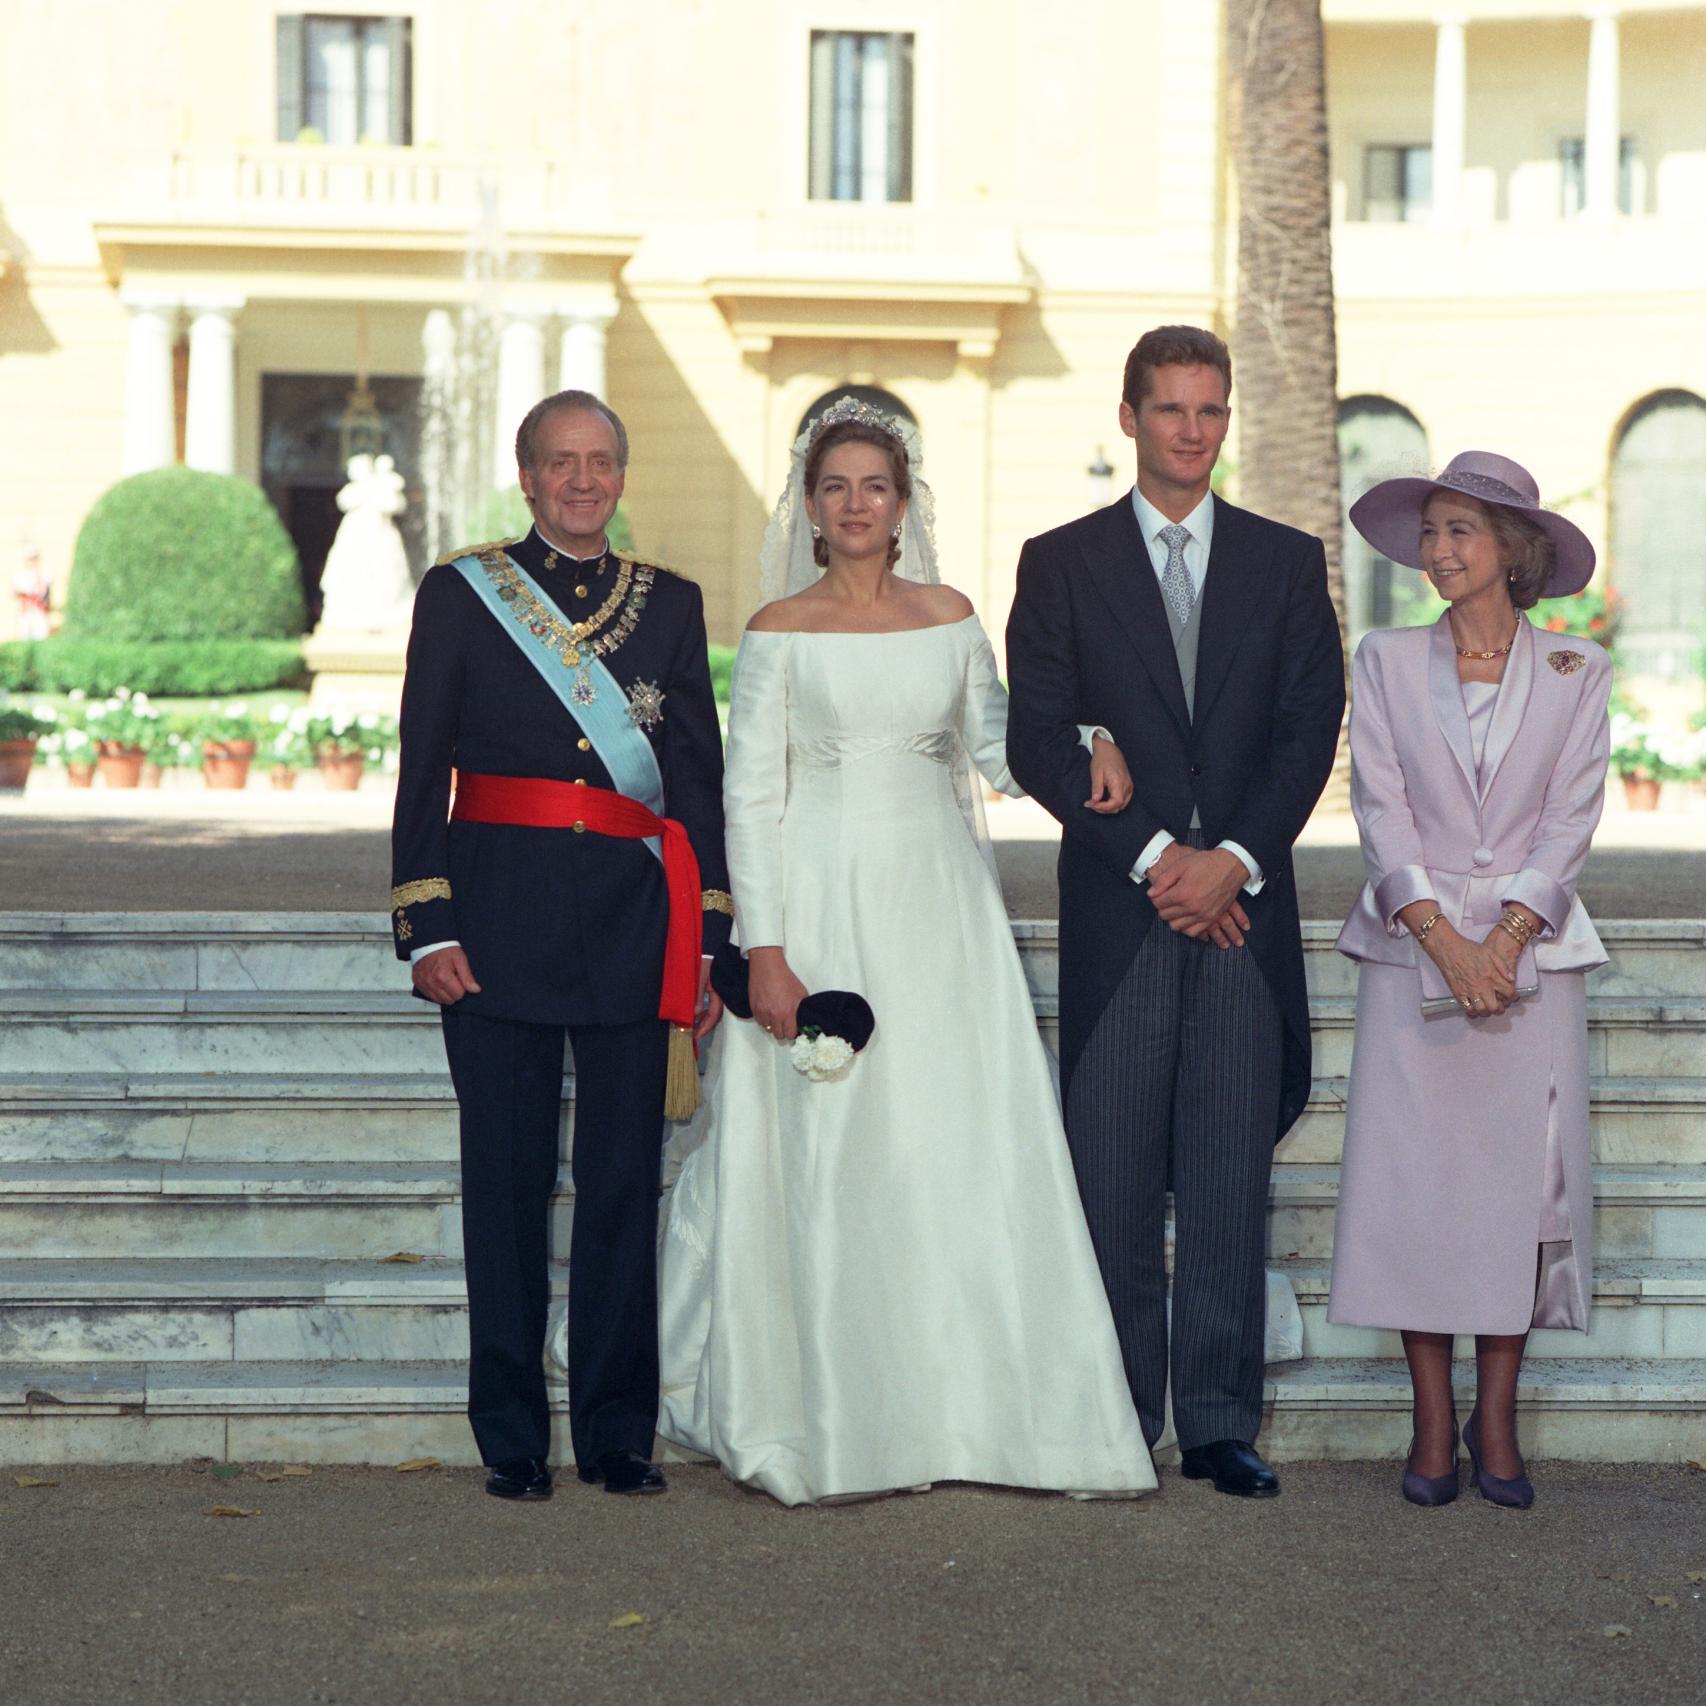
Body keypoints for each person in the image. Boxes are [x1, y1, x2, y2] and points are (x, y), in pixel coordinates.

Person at [656, 397, 1156, 1506]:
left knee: (951, 1136)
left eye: (870, 486)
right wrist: (768, 951)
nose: (852, 504)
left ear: (901, 502)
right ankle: (836, 1413)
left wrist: (1087, 738)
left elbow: (997, 749)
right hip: (823, 899)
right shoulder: (779, 629)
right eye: (831, 486)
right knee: (839, 1141)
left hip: (939, 911)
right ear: (809, 503)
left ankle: (984, 1409)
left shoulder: (949, 615)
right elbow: (750, 797)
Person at [1004, 325, 1344, 1499]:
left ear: (1225, 418)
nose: (1190, 429)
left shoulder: (1285, 561)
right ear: (1128, 417)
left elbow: (1309, 730)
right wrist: (1161, 858)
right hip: (1124, 910)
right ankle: (1111, 1411)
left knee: (1221, 1175)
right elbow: (1037, 736)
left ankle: (1213, 1421)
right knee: (1105, 1177)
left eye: (1208, 409)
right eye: (1168, 409)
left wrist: (1234, 857)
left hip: (1242, 914)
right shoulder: (1059, 562)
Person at [392, 388, 732, 1502]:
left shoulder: (669, 606)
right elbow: (421, 766)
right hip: (491, 926)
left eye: (600, 461)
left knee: (625, 1184)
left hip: (635, 928)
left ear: (619, 478)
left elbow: (695, 786)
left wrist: (706, 940)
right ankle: (511, 1437)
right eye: (560, 462)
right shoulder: (458, 592)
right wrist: (425, 920)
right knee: (503, 1184)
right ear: (527, 475)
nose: (581, 480)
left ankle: (616, 1431)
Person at [1328, 451, 1610, 1509]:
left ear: (1512, 549)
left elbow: (1571, 813)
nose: (1436, 551)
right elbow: (1378, 804)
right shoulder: (1386, 659)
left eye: (1460, 532)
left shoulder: (1577, 667)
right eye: (1430, 531)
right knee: (1418, 1193)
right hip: (1413, 953)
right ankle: (1430, 1418)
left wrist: (1507, 938)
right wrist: (1444, 938)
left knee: (1508, 1196)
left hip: (1529, 965)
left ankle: (1495, 1418)